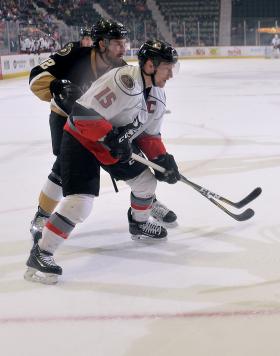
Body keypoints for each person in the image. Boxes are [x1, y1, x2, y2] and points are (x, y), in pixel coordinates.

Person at [24, 39, 181, 285]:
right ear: (150, 65)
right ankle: (41, 253)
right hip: (82, 139)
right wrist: (109, 136)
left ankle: (139, 225)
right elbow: (82, 113)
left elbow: (150, 135)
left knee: (146, 184)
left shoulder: (158, 96)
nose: (171, 74)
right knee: (80, 203)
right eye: (167, 68)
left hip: (113, 146)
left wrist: (163, 158)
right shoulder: (123, 81)